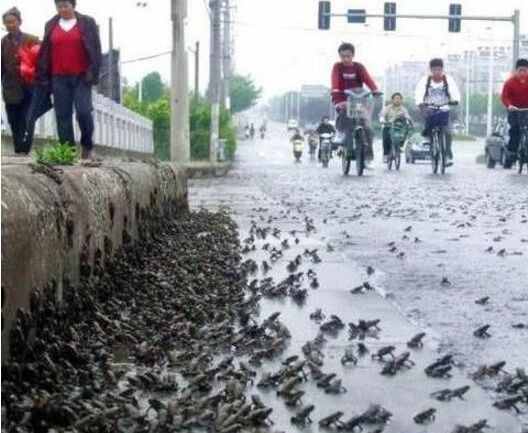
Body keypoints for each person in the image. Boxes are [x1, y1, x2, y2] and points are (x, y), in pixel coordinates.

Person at [36, 0, 102, 160]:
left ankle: (87, 146)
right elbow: (45, 51)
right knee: (63, 115)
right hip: (58, 77)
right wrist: (44, 77)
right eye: (59, 6)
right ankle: (68, 152)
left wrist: (93, 72)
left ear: (73, 5)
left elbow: (96, 48)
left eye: (66, 5)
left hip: (81, 76)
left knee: (84, 111)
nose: (63, 9)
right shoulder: (51, 24)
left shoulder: (87, 22)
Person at [331, 42, 381, 166]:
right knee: (344, 116)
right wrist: (337, 96)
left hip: (358, 99)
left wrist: (375, 90)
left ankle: (368, 157)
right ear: (340, 56)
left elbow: (367, 79)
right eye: (343, 56)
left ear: (353, 55)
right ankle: (340, 133)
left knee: (367, 127)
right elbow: (335, 82)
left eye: (348, 56)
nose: (345, 59)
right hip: (342, 98)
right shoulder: (337, 67)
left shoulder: (359, 67)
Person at [1, 7, 39, 155]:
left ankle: (25, 148)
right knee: (13, 119)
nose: (10, 25)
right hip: (10, 87)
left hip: (29, 86)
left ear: (19, 22)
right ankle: (18, 149)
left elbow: (40, 62)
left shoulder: (31, 39)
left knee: (27, 118)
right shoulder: (3, 43)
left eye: (13, 22)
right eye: (7, 22)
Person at [415, 58, 460, 166]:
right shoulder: (425, 80)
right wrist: (420, 103)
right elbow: (419, 92)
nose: (437, 72)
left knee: (448, 132)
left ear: (442, 69)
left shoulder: (448, 80)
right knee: (428, 128)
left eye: (439, 69)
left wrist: (455, 100)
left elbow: (454, 91)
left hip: (444, 108)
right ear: (431, 70)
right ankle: (431, 142)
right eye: (434, 69)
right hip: (429, 108)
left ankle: (447, 155)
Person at [501, 58, 528, 168]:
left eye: (525, 70)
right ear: (516, 70)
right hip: (514, 110)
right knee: (515, 130)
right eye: (520, 70)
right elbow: (504, 96)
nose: (522, 73)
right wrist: (509, 105)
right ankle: (512, 153)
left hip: (527, 110)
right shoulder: (509, 82)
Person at [380, 93, 413, 163]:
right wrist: (382, 120)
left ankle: (400, 146)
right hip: (389, 125)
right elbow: (382, 115)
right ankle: (386, 154)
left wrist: (408, 120)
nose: (397, 100)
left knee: (406, 131)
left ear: (401, 100)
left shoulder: (403, 109)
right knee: (385, 135)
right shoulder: (388, 108)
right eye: (396, 98)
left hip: (399, 127)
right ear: (392, 100)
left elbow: (407, 116)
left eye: (399, 99)